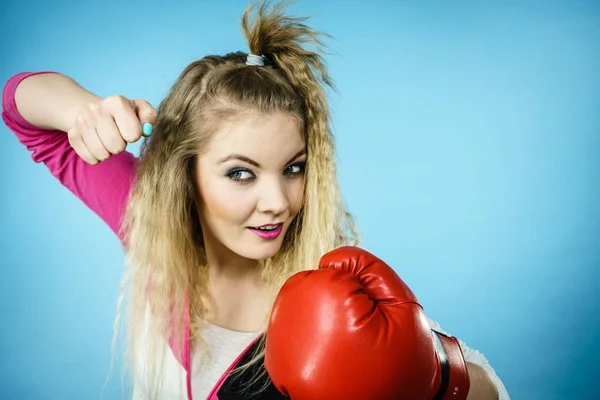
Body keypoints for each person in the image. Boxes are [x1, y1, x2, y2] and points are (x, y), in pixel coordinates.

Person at [1, 2, 510, 399]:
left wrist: (432, 380)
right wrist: (85, 110)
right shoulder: (150, 219)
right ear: (186, 173)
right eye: (241, 173)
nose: (277, 202)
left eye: (294, 168)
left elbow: (490, 389)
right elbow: (20, 108)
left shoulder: (330, 287)